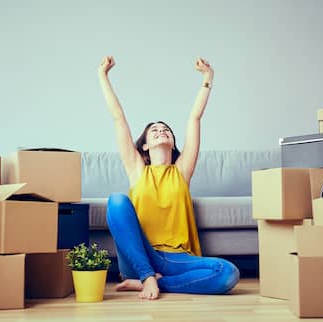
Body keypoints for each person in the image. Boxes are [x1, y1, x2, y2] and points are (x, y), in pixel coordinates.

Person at [98, 55, 240, 300]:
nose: (161, 131)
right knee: (117, 201)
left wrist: (208, 78)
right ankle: (147, 276)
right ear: (144, 146)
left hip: (177, 259)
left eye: (166, 130)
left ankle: (154, 283)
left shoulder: (182, 171)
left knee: (227, 272)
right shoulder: (137, 170)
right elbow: (118, 118)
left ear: (173, 142)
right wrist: (103, 75)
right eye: (154, 130)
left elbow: (194, 119)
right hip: (141, 254)